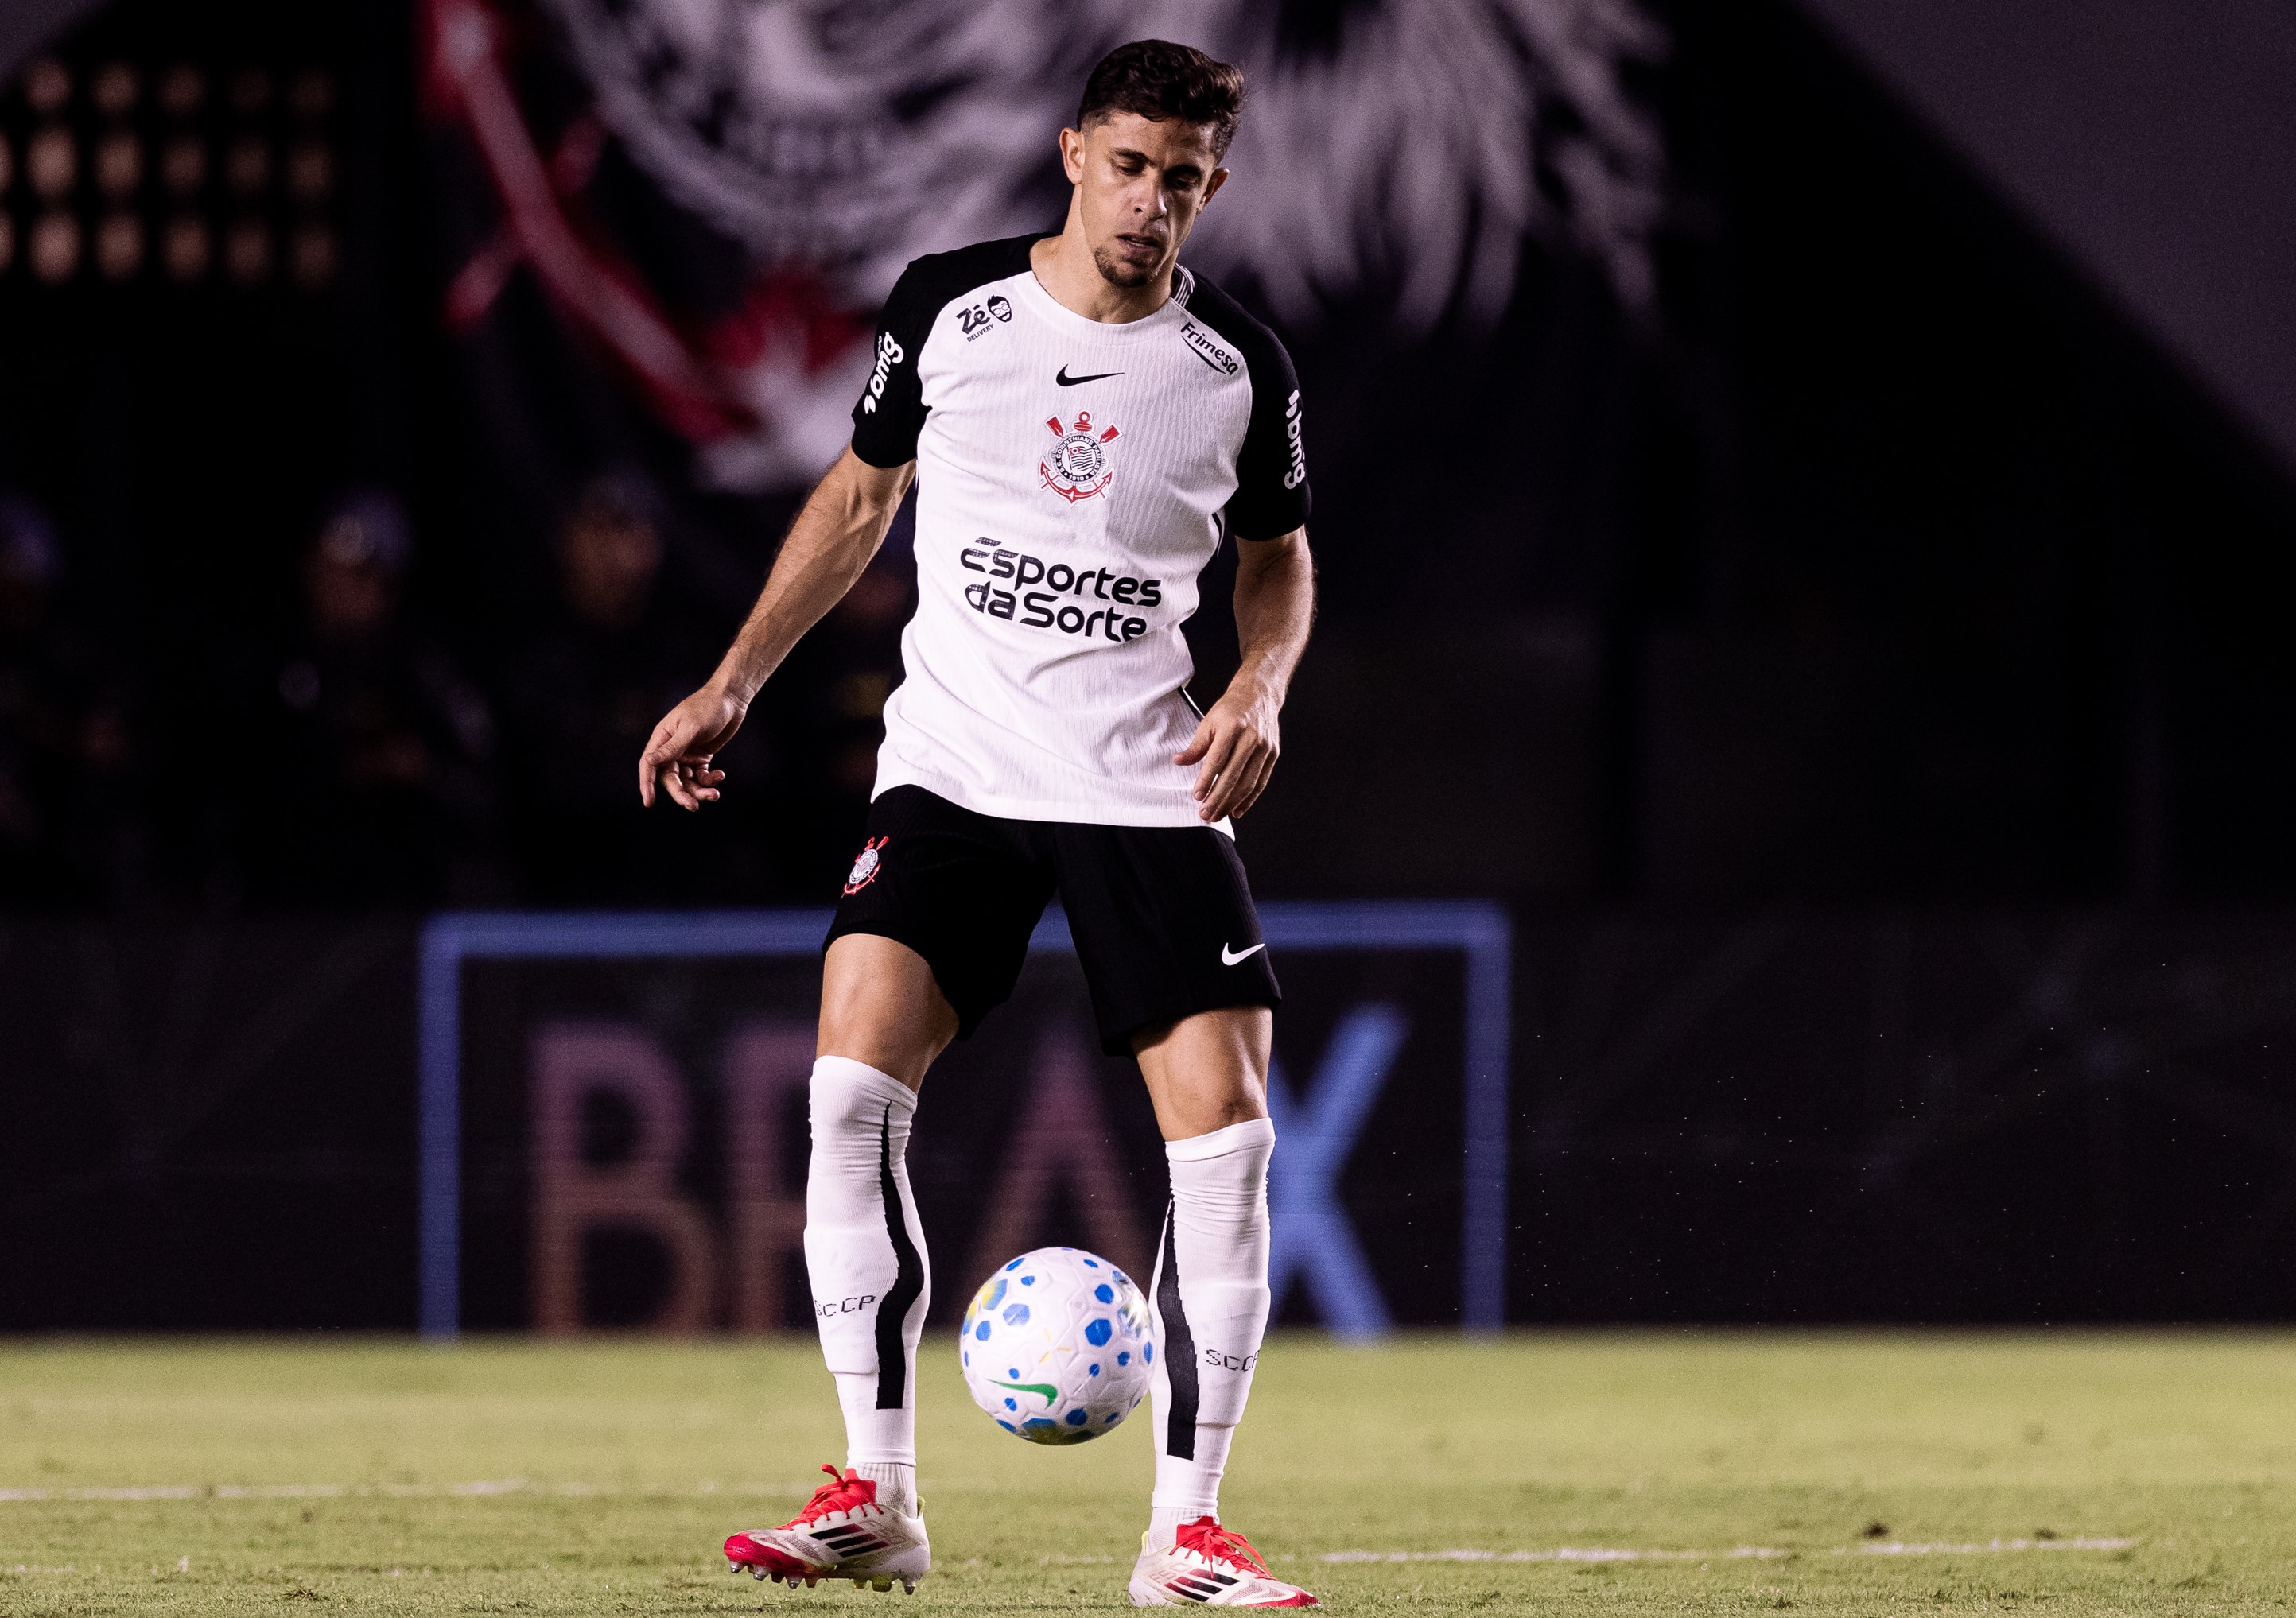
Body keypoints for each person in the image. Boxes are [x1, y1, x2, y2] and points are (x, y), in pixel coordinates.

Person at [640, 39, 1319, 1609]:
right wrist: (736, 679)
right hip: (952, 767)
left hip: (1142, 778)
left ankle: (1187, 1533)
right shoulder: (950, 305)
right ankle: (875, 1495)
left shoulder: (1240, 367)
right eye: (1129, 165)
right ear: (1074, 154)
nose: (1150, 203)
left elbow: (1278, 555)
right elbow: (859, 495)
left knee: (1226, 1137)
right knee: (848, 1088)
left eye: (1184, 179)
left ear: (1214, 186)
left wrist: (1263, 684)